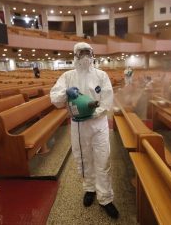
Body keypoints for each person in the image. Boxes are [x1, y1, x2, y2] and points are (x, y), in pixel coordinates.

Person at [50, 42, 119, 219]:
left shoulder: (101, 75)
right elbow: (55, 99)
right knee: (83, 159)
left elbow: (107, 100)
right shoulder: (67, 76)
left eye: (88, 52)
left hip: (98, 124)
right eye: (81, 53)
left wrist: (92, 112)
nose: (85, 56)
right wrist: (66, 93)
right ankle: (89, 189)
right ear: (75, 55)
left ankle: (105, 198)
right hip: (78, 126)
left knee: (102, 160)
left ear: (93, 54)